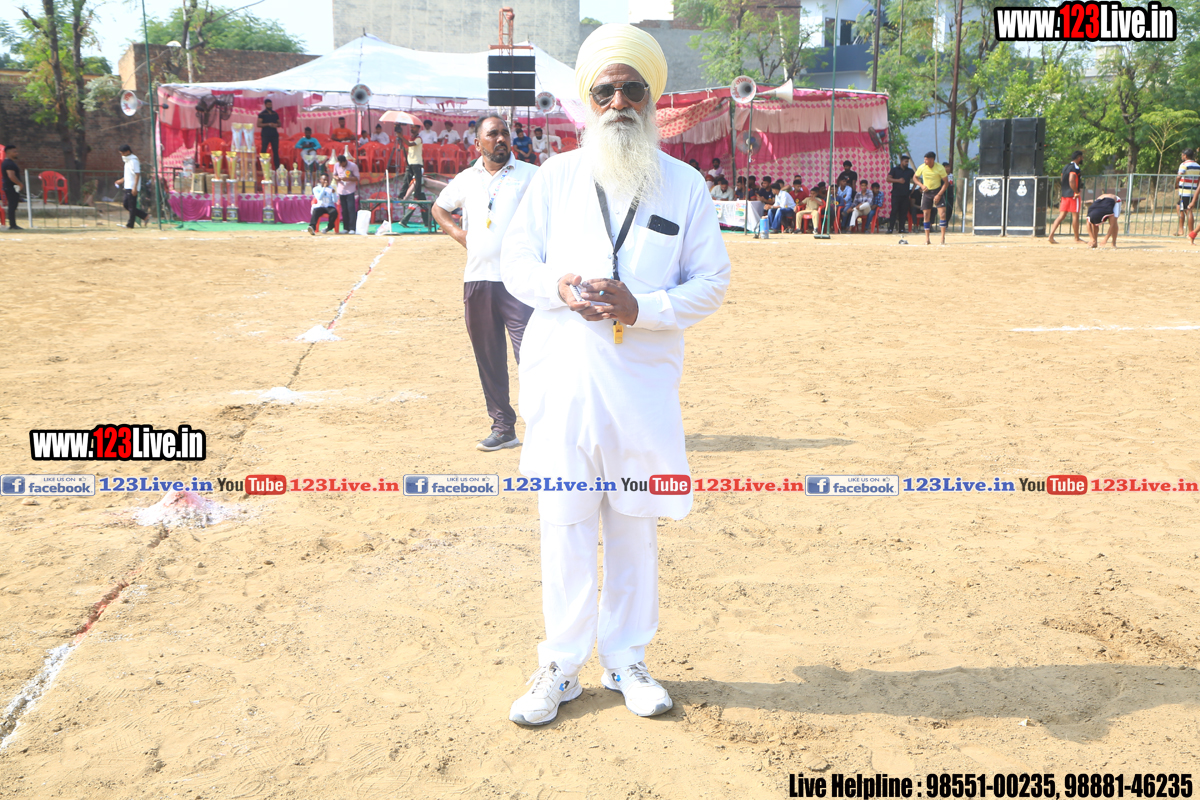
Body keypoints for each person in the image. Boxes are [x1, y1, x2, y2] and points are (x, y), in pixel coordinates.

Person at [501, 22, 730, 727]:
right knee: (564, 523)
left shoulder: (685, 186)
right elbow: (516, 263)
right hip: (563, 385)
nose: (620, 102)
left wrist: (645, 306)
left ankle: (627, 659)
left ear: (652, 98)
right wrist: (558, 288)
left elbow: (712, 283)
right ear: (588, 99)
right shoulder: (555, 178)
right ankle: (561, 666)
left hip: (639, 391)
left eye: (633, 89)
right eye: (605, 91)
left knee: (634, 525)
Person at [431, 115, 538, 451]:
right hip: (478, 280)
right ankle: (503, 428)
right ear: (478, 143)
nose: (501, 138)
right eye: (493, 134)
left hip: (519, 281)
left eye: (505, 133)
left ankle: (544, 427)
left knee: (532, 356)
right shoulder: (466, 179)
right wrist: (459, 234)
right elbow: (439, 208)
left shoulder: (531, 175)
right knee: (489, 359)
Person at [1048, 150, 1084, 244]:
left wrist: (1064, 190)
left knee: (1061, 216)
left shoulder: (1065, 167)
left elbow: (1062, 179)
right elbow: (1071, 180)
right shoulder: (1074, 168)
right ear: (1079, 158)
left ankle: (1051, 236)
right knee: (1075, 216)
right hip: (1073, 196)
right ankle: (1077, 239)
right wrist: (1076, 192)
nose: (1082, 159)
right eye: (1082, 157)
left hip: (1064, 195)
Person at [913, 151, 948, 245]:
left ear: (932, 160)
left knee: (942, 214)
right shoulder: (922, 167)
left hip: (937, 191)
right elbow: (915, 177)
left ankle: (942, 238)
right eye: (924, 159)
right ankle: (927, 239)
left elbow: (946, 183)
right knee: (926, 215)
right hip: (927, 192)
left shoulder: (940, 168)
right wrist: (921, 185)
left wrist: (939, 194)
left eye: (926, 159)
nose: (925, 161)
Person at [115, 144, 149, 229]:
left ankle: (130, 225)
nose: (122, 155)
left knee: (131, 206)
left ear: (128, 152)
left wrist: (135, 187)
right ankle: (144, 216)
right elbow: (129, 174)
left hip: (132, 186)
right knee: (126, 204)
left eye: (123, 153)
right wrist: (121, 180)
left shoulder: (133, 161)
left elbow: (137, 174)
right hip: (127, 185)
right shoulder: (127, 160)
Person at [886, 154, 914, 233]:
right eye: (905, 161)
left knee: (903, 212)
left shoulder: (910, 171)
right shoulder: (895, 170)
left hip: (905, 195)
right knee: (894, 211)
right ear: (901, 161)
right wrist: (898, 180)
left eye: (907, 162)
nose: (907, 163)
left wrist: (913, 189)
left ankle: (901, 228)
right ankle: (890, 228)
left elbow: (916, 179)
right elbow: (888, 179)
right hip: (896, 194)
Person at [333, 154, 360, 233]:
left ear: (345, 161)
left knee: (351, 209)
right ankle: (346, 228)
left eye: (342, 164)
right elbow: (334, 175)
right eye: (340, 164)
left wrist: (348, 178)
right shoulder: (336, 165)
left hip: (350, 190)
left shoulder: (353, 166)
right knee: (344, 210)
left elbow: (357, 178)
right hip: (341, 190)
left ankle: (352, 228)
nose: (341, 165)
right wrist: (337, 178)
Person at [1175, 149, 1199, 236]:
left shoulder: (1184, 165)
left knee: (1188, 211)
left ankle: (1191, 232)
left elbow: (1179, 176)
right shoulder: (1198, 166)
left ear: (1185, 155)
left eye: (1182, 155)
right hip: (1193, 191)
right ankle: (1181, 230)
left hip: (1185, 191)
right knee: (1179, 207)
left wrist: (1176, 184)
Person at [397, 125, 425, 200]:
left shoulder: (418, 139)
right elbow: (409, 149)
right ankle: (401, 195)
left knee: (418, 181)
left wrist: (402, 137)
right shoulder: (411, 139)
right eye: (411, 127)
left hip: (417, 162)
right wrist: (401, 143)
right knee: (406, 179)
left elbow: (410, 144)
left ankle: (417, 196)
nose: (412, 129)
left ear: (418, 128)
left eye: (414, 127)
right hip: (410, 162)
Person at [3, 144, 24, 230]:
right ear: (8, 153)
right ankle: (12, 225)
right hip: (11, 187)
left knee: (14, 205)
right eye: (14, 152)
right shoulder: (9, 163)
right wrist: (20, 184)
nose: (16, 153)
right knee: (12, 205)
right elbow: (11, 176)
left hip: (12, 187)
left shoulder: (9, 163)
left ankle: (13, 224)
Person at [256, 99, 282, 169]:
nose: (270, 106)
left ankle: (277, 167)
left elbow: (279, 123)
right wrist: (268, 124)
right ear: (265, 105)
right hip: (265, 135)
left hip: (274, 135)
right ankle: (262, 166)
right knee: (264, 150)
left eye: (270, 104)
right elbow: (258, 124)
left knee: (275, 151)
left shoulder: (275, 113)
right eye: (268, 104)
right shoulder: (262, 114)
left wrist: (276, 125)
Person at [941, 162, 956, 229]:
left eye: (948, 167)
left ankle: (946, 223)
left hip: (950, 194)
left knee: (950, 210)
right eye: (946, 167)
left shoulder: (951, 175)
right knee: (945, 210)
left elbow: (953, 184)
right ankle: (943, 223)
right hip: (944, 195)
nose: (948, 168)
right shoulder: (941, 176)